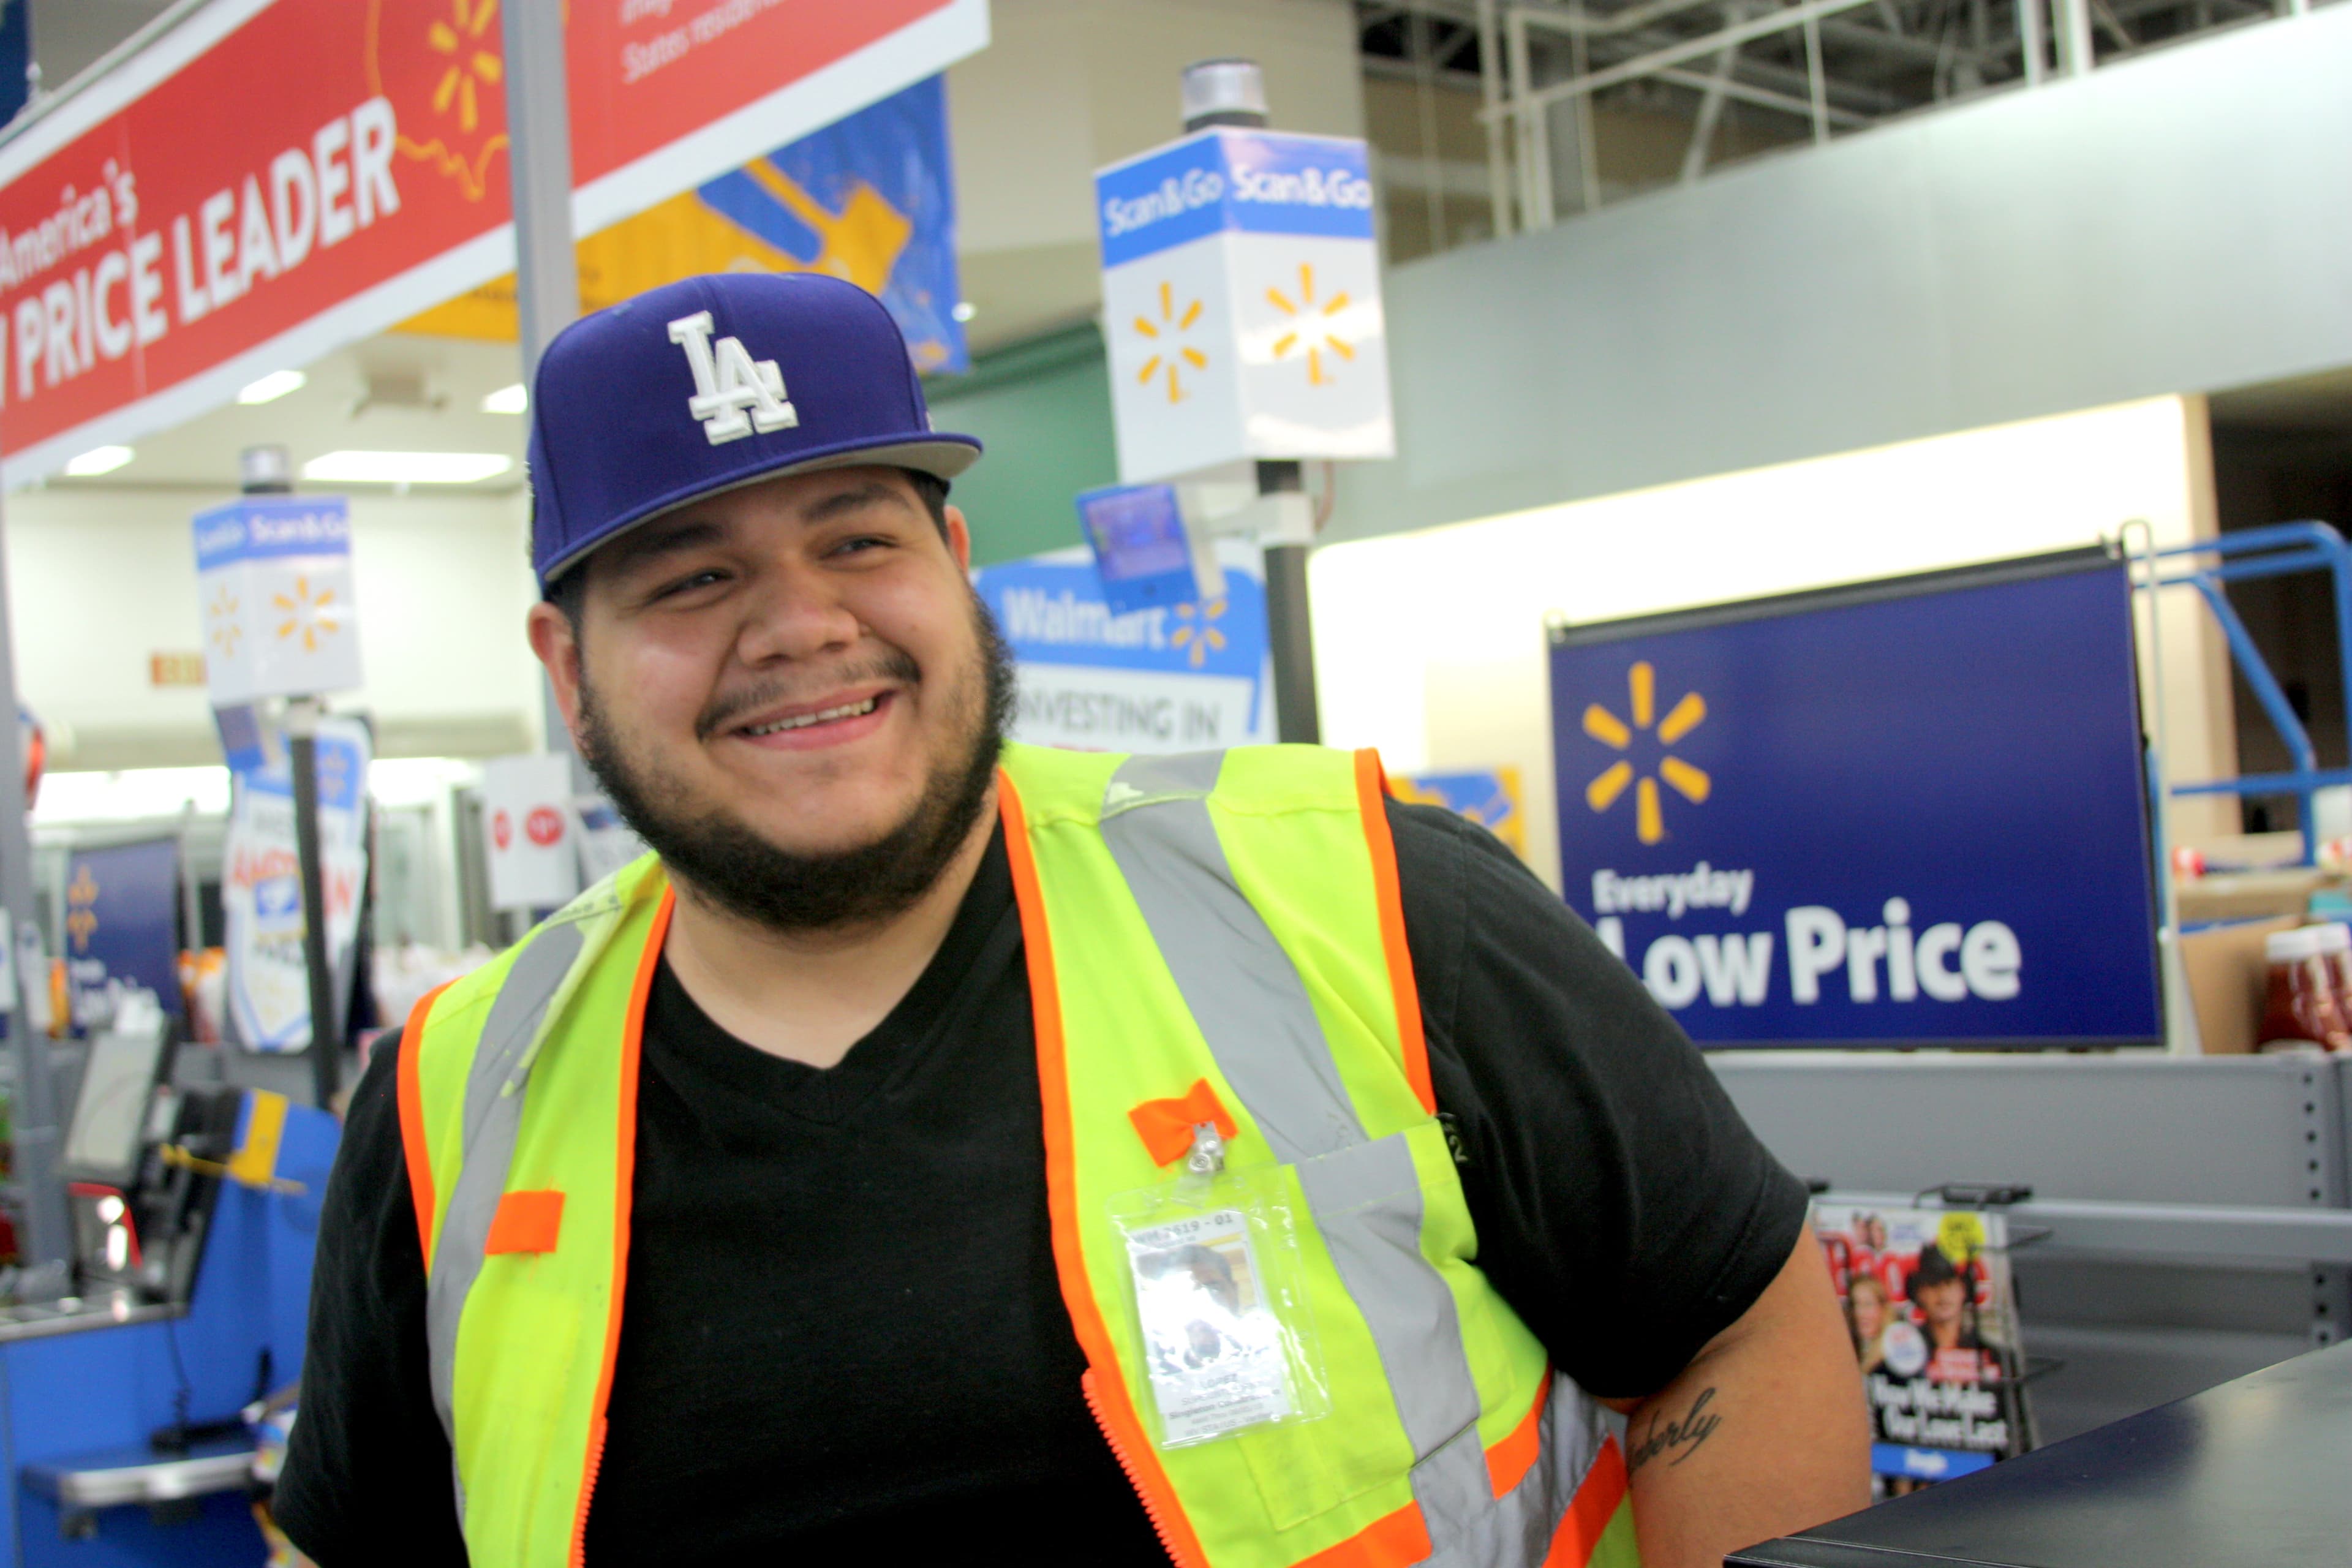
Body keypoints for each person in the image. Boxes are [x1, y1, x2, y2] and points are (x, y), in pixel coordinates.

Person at [276, 273, 1867, 1567]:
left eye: (858, 538)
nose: (804, 625)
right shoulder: (448, 1108)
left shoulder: (1358, 900)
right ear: (568, 669)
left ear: (954, 567)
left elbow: (1736, 1320)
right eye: (690, 580)